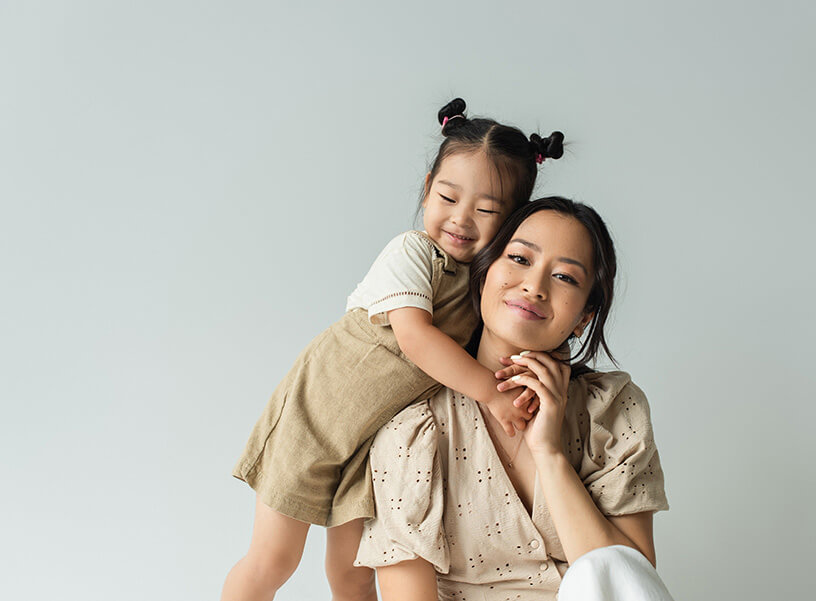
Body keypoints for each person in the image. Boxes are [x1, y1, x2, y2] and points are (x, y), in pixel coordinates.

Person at [221, 99, 566, 601]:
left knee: (354, 572)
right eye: (448, 197)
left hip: (371, 442)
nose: (462, 219)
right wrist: (493, 395)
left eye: (487, 211)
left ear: (512, 223)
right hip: (315, 418)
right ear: (427, 189)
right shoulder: (412, 253)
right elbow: (416, 338)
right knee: (273, 560)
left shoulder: (486, 288)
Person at [355, 197, 675, 600]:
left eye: (565, 277)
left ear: (584, 317)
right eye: (521, 259)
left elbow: (629, 584)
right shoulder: (413, 429)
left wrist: (549, 453)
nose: (534, 286)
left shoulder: (611, 410)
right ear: (485, 272)